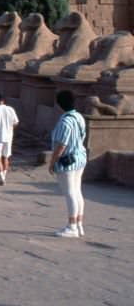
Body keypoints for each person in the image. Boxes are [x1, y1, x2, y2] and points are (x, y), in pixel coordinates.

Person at [49, 89, 87, 238]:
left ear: (59, 104)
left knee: (70, 192)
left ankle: (72, 226)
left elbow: (61, 145)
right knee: (77, 192)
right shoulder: (79, 117)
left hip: (67, 160)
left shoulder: (65, 121)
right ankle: (79, 224)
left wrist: (52, 162)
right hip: (80, 157)